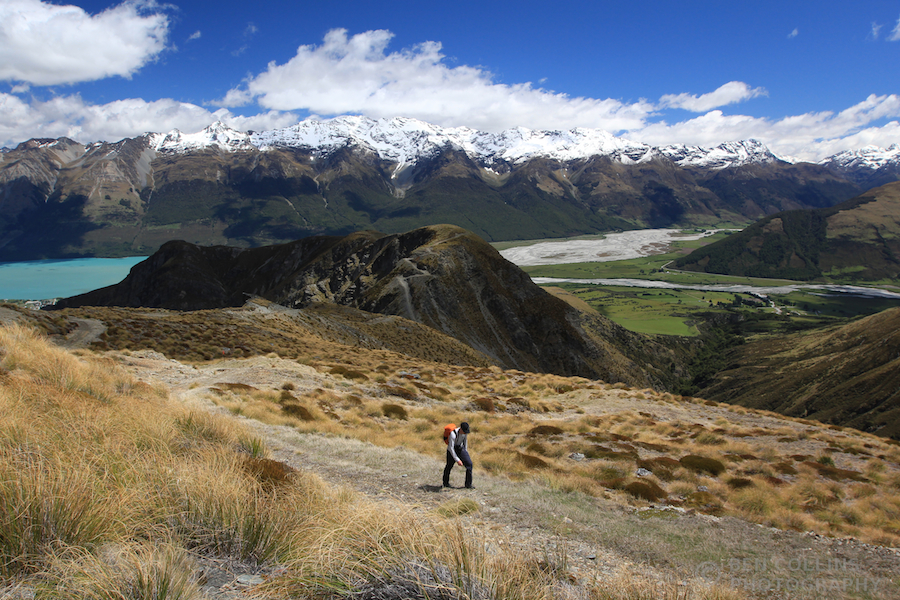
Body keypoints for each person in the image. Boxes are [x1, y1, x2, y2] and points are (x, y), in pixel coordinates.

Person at [443, 422, 473, 489]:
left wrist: (465, 453)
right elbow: (451, 448)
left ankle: (468, 484)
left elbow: (465, 442)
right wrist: (457, 460)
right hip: (452, 450)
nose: (465, 433)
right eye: (464, 431)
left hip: (460, 449)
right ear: (461, 429)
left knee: (469, 464)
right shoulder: (453, 434)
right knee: (449, 466)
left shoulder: (465, 433)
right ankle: (445, 483)